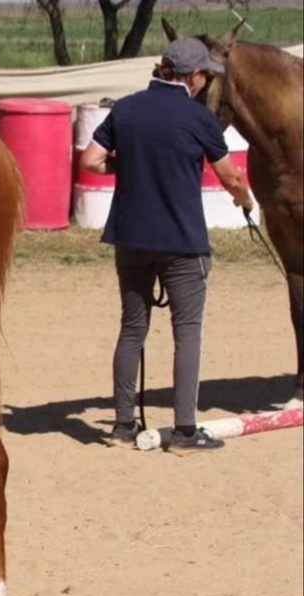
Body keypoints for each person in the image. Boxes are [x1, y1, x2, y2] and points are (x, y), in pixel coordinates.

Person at [79, 37, 255, 454]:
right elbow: (231, 177)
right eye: (205, 75)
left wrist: (128, 163)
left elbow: (89, 161)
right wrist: (245, 201)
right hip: (182, 241)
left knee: (132, 329)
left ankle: (122, 427)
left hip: (131, 238)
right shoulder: (198, 119)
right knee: (187, 332)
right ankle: (184, 433)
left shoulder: (126, 108)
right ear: (193, 76)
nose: (205, 82)